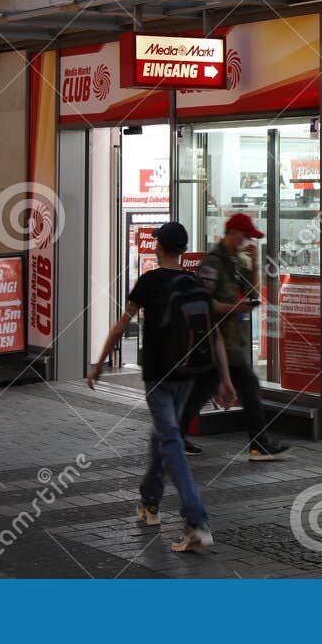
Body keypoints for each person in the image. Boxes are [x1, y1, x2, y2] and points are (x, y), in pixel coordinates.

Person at [88, 221, 236, 553]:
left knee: (169, 441)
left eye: (156, 243)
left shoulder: (148, 282)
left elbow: (121, 325)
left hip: (158, 374)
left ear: (160, 247)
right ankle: (150, 503)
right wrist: (224, 379)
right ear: (183, 250)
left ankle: (196, 520)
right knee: (163, 435)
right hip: (188, 375)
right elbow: (215, 335)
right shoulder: (195, 283)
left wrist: (99, 364)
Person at [179, 212, 291, 461]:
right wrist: (234, 308)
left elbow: (251, 293)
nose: (246, 241)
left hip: (231, 342)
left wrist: (255, 262)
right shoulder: (212, 263)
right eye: (246, 236)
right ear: (235, 232)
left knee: (205, 389)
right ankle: (258, 444)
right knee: (246, 387)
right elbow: (204, 304)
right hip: (215, 340)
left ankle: (173, 438)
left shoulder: (234, 262)